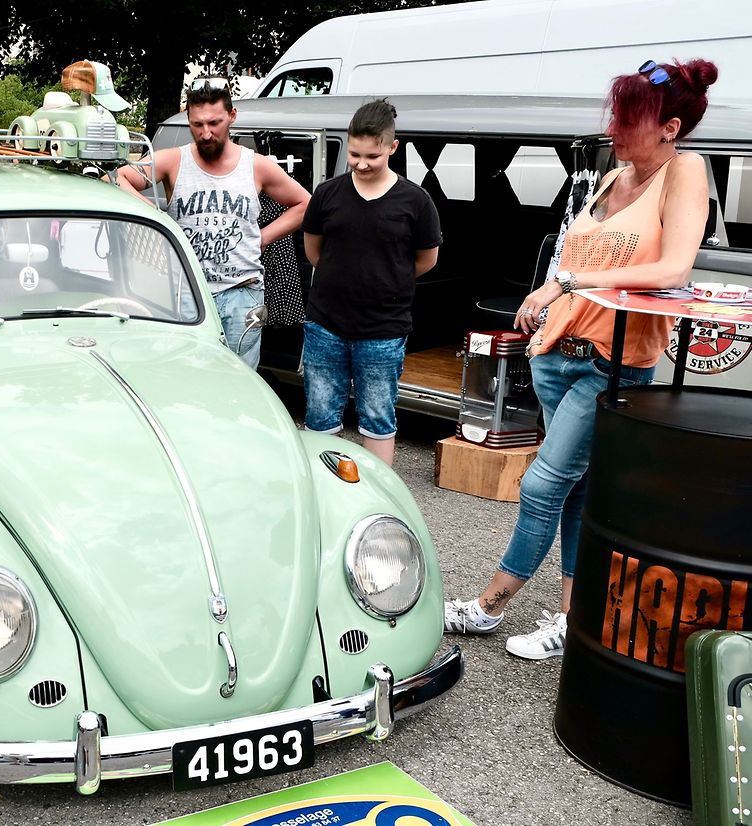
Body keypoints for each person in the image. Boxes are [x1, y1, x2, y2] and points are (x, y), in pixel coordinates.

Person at [444, 58, 718, 660]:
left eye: (628, 118)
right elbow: (575, 258)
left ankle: (490, 604)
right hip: (556, 352)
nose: (613, 127)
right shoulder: (609, 176)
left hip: (614, 361)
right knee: (574, 489)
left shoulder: (684, 171)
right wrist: (545, 291)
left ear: (670, 128)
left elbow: (674, 268)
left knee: (542, 484)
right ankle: (576, 614)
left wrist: (564, 282)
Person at [117, 78, 309, 367]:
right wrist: (158, 217)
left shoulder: (255, 165)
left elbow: (305, 203)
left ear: (232, 117)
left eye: (214, 123)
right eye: (197, 124)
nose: (206, 133)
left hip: (242, 291)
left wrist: (263, 237)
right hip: (187, 291)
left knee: (240, 378)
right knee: (186, 373)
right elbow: (117, 178)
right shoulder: (173, 161)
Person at [300, 98, 441, 467]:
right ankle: (324, 490)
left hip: (383, 329)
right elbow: (314, 250)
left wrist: (387, 278)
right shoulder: (328, 193)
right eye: (354, 154)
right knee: (320, 414)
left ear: (392, 147)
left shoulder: (416, 200)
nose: (361, 164)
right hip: (325, 324)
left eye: (372, 157)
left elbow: (427, 260)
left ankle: (379, 496)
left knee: (377, 416)